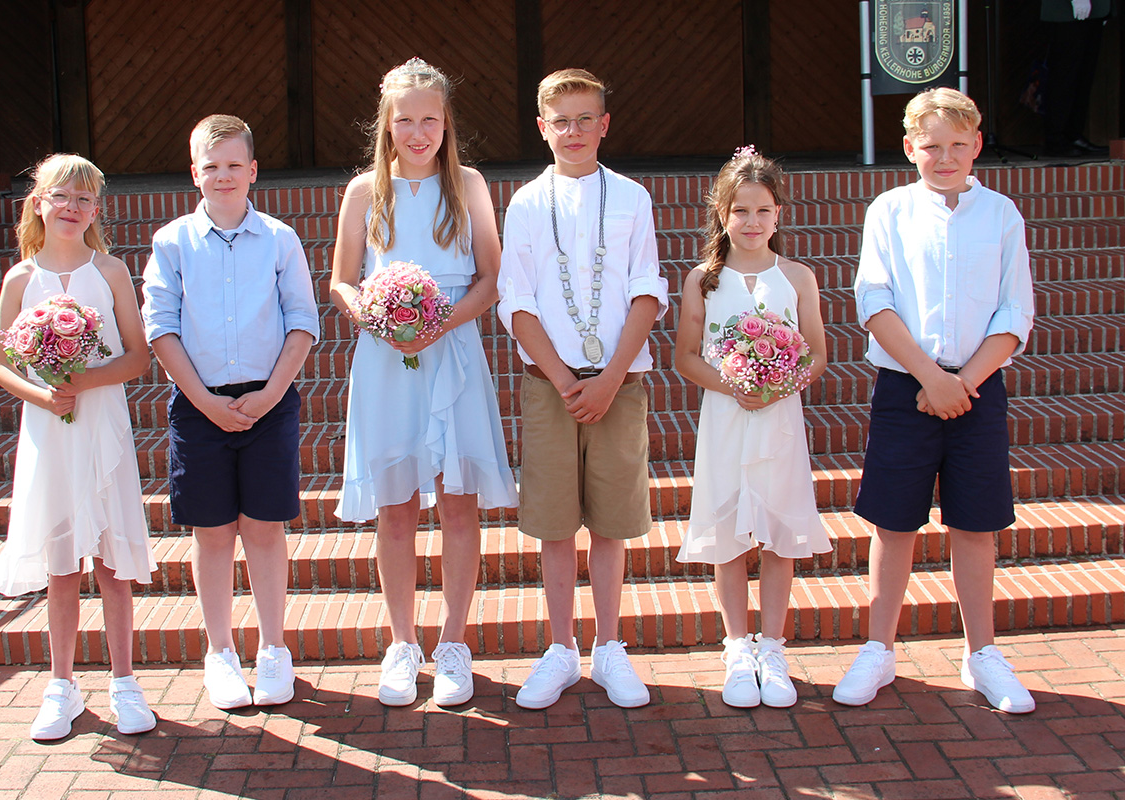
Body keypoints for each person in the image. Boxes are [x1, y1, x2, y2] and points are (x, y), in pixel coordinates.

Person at [835, 88, 1036, 713]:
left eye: (957, 145)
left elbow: (1015, 311)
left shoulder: (1001, 215)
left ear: (976, 145)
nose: (944, 157)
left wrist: (962, 381)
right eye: (931, 146)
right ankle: (878, 649)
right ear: (908, 148)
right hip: (906, 388)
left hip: (978, 388)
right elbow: (875, 301)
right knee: (893, 523)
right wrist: (929, 377)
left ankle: (983, 655)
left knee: (975, 525)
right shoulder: (890, 211)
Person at [329, 58, 517, 707]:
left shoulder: (468, 184)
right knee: (396, 507)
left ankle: (454, 644)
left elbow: (492, 278)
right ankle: (403, 644)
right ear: (387, 124)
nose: (418, 132)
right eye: (405, 120)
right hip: (386, 359)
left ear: (445, 123)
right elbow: (341, 281)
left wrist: (440, 323)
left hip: (452, 350)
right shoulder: (364, 192)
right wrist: (377, 317)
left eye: (429, 120)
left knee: (457, 502)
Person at [498, 68, 668, 710]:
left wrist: (611, 378)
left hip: (619, 384)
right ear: (542, 128)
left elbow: (647, 289)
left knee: (611, 522)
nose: (574, 131)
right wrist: (568, 380)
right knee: (555, 525)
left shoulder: (630, 198)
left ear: (604, 124)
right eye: (561, 121)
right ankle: (561, 648)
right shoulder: (525, 203)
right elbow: (516, 302)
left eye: (585, 119)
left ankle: (608, 646)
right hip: (551, 385)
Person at [142, 115, 320, 711]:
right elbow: (161, 327)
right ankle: (220, 652)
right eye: (211, 166)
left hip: (269, 401)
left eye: (234, 165)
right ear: (194, 173)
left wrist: (270, 395)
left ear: (253, 171)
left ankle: (273, 649)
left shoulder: (280, 239)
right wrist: (203, 401)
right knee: (213, 532)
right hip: (200, 406)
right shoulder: (172, 242)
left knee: (264, 529)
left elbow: (302, 321)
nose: (223, 175)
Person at [0, 153, 157, 740]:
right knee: (62, 566)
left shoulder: (109, 271)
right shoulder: (20, 279)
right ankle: (61, 685)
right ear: (39, 203)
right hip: (50, 430)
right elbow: (0, 364)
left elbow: (138, 356)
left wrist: (85, 379)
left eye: (84, 199)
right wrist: (45, 394)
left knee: (112, 565)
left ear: (96, 210)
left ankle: (124, 681)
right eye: (61, 196)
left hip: (101, 424)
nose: (72, 207)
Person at [673, 147, 831, 708]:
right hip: (726, 416)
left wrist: (781, 385)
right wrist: (732, 383)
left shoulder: (797, 276)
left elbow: (817, 353)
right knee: (729, 534)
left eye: (763, 210)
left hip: (779, 419)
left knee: (779, 531)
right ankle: (737, 645)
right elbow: (685, 356)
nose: (752, 221)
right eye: (740, 210)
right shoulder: (703, 280)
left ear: (778, 213)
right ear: (722, 214)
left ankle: (773, 645)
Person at [1041, 0, 1111, 157]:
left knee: (1083, 77)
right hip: (1066, 12)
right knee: (1064, 77)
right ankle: (1055, 139)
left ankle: (1072, 134)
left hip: (1094, 12)